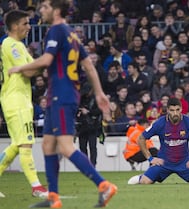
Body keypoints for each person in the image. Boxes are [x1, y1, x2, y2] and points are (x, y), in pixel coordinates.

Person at [8, 0, 117, 207]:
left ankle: (104, 185)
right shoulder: (72, 34)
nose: (41, 10)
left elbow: (47, 60)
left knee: (66, 147)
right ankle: (53, 198)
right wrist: (100, 94)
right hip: (59, 96)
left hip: (62, 95)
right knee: (48, 145)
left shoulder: (56, 30)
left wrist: (20, 68)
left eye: (45, 7)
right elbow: (89, 67)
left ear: (56, 11)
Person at [0, 9, 48, 198]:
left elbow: (33, 68)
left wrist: (35, 67)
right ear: (14, 26)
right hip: (17, 100)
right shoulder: (13, 45)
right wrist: (38, 66)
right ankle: (36, 187)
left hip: (15, 99)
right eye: (26, 23)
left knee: (16, 145)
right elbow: (31, 71)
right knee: (26, 143)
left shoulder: (16, 45)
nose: (29, 27)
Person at [127, 98, 189, 185]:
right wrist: (150, 158)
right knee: (145, 182)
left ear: (181, 109)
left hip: (184, 163)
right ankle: (142, 177)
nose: (175, 113)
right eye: (172, 110)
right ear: (167, 110)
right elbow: (141, 138)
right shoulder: (159, 123)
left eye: (177, 110)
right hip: (164, 163)